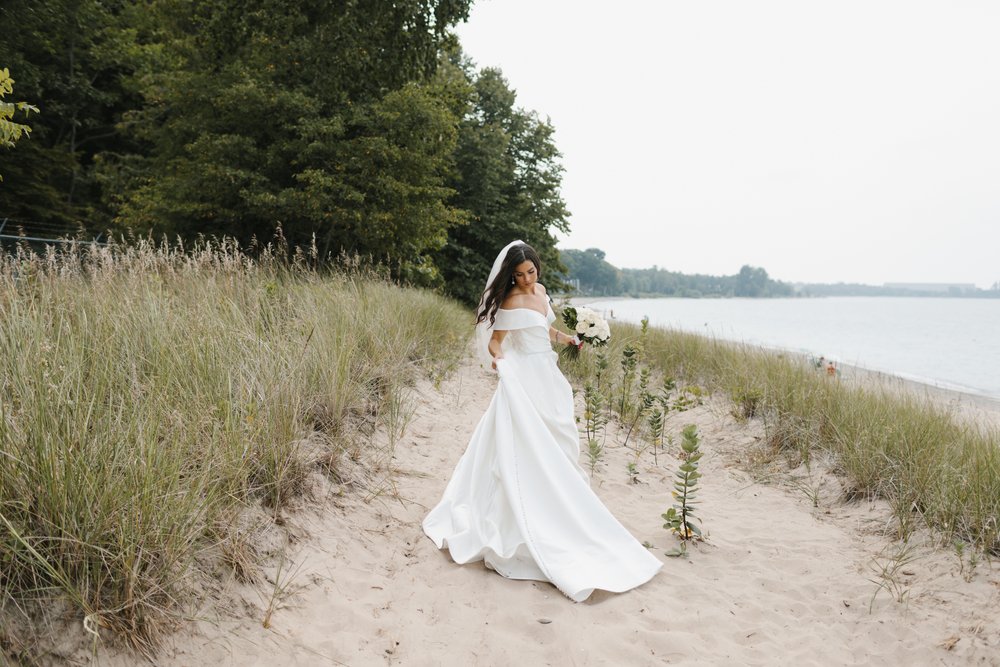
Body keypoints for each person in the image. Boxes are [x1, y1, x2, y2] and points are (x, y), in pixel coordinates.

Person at [422, 240, 662, 602]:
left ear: (538, 266)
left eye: (530, 272)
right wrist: (502, 365)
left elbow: (543, 330)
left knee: (558, 437)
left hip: (547, 375)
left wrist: (568, 338)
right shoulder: (509, 301)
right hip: (522, 377)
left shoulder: (542, 292)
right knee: (524, 445)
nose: (525, 280)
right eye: (518, 275)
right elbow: (496, 343)